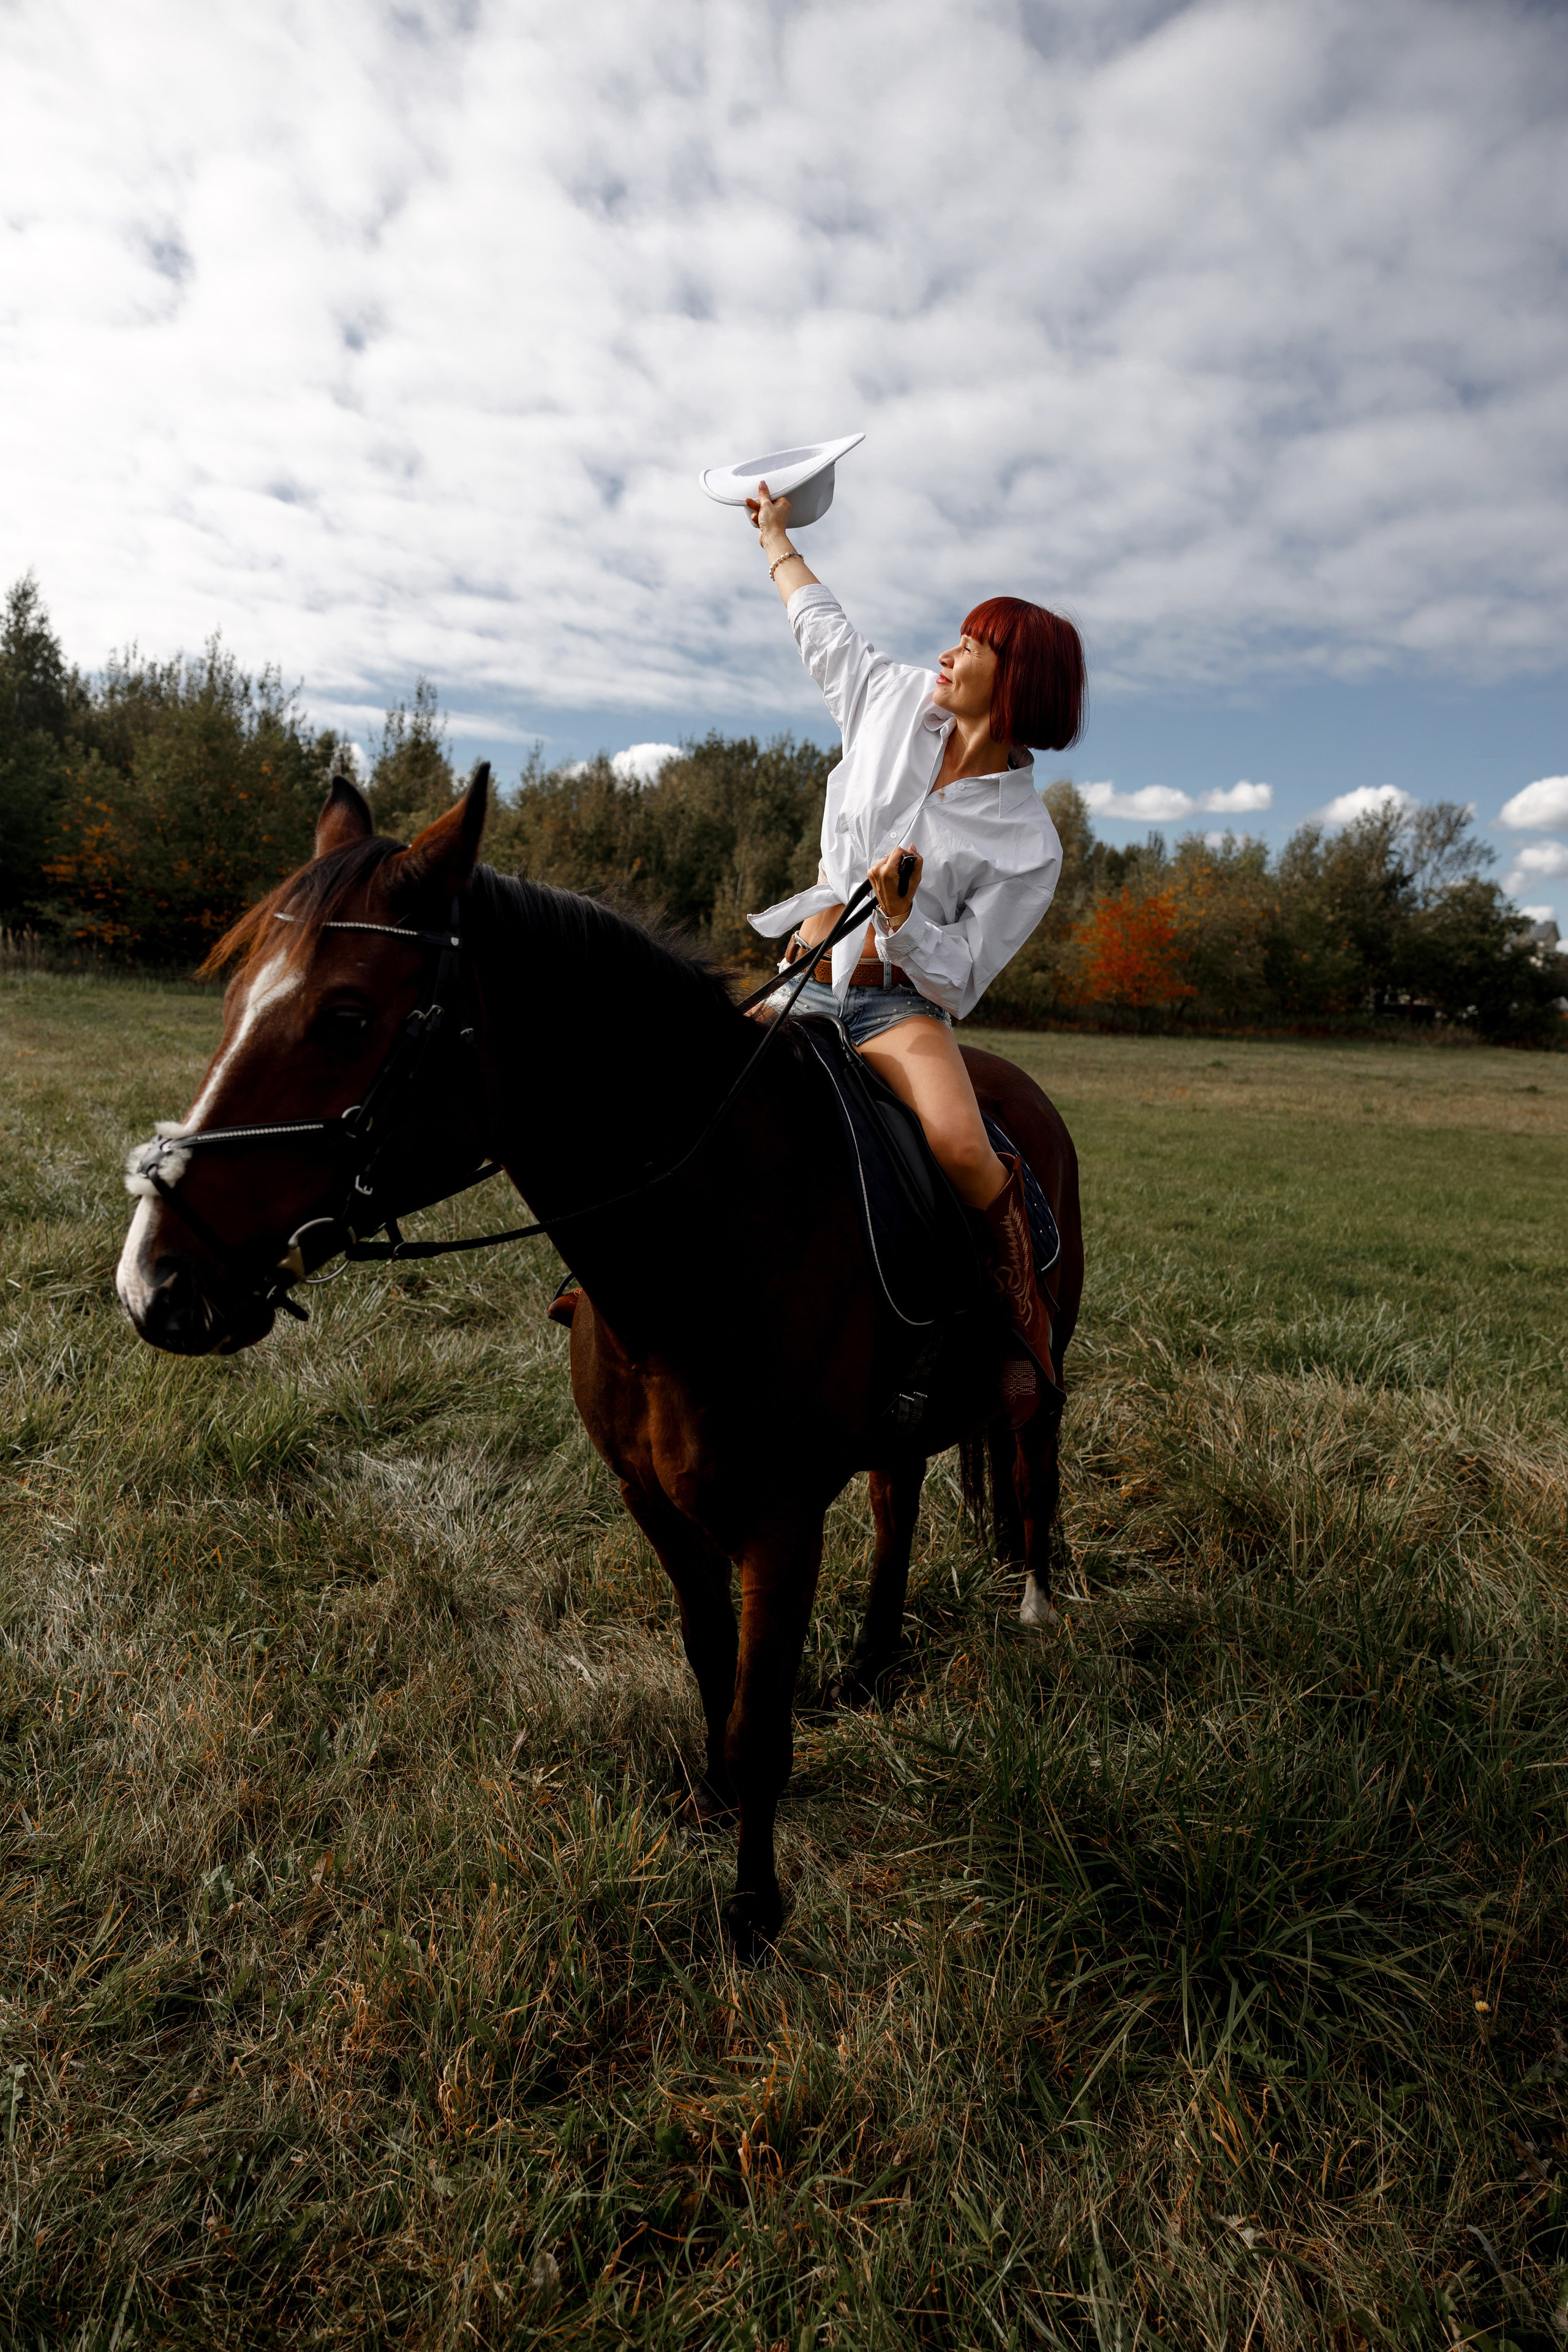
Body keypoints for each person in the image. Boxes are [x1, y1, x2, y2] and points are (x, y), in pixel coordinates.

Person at [744, 479, 1084, 1428]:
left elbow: (963, 974)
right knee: (699, 1085)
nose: (950, 650)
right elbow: (822, 628)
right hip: (807, 976)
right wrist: (775, 537)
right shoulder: (891, 699)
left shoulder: (1031, 844)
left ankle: (1022, 1334)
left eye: (972, 644)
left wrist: (900, 922)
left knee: (964, 1146)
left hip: (898, 1007)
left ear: (1015, 678)